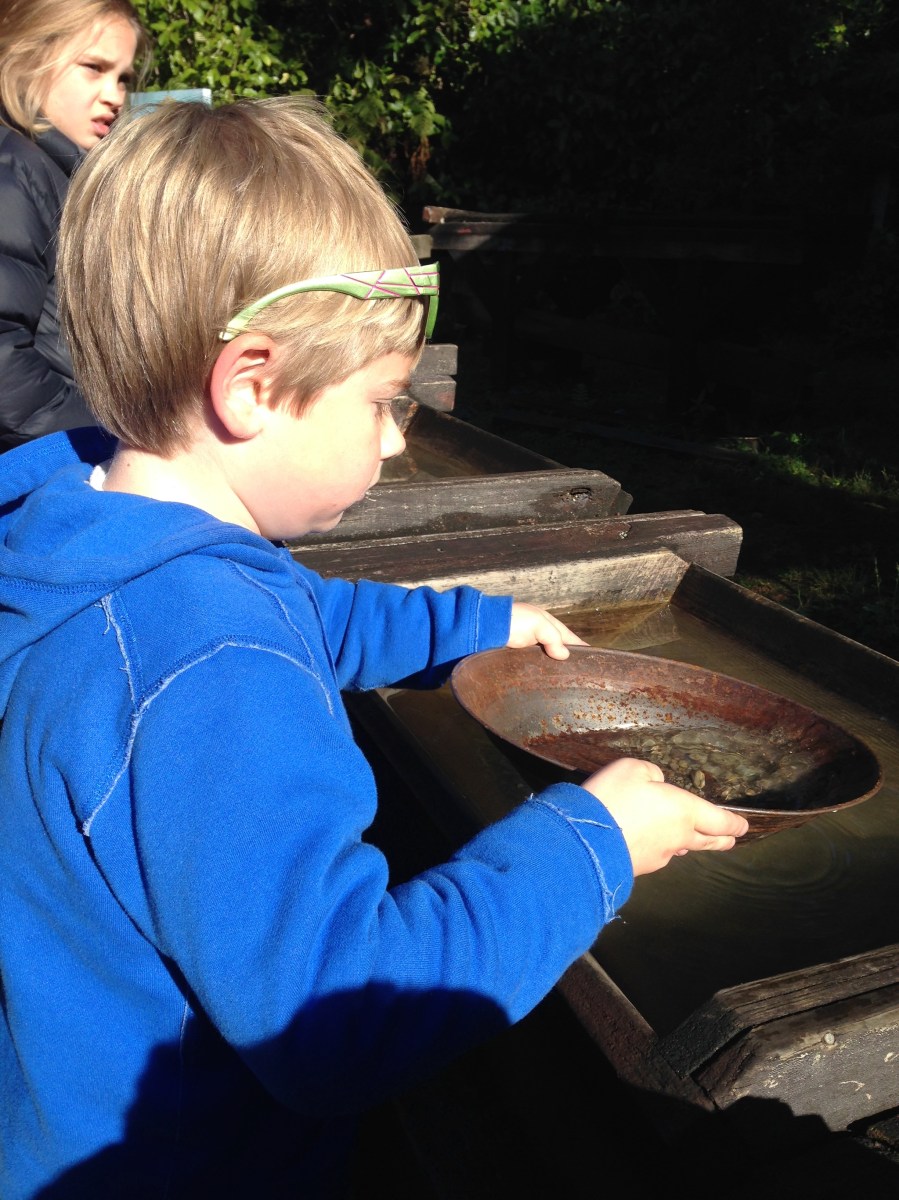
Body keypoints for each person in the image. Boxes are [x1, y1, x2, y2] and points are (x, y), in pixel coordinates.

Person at [0, 96, 748, 1199]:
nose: (398, 443)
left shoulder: (91, 533)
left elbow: (303, 614)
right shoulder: (211, 669)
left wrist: (471, 624)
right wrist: (589, 843)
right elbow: (332, 1017)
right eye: (383, 403)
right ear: (251, 387)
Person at [0, 0, 149, 451]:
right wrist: (111, 443)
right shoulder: (13, 170)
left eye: (122, 77)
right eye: (94, 68)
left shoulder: (53, 171)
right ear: (25, 57)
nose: (115, 95)